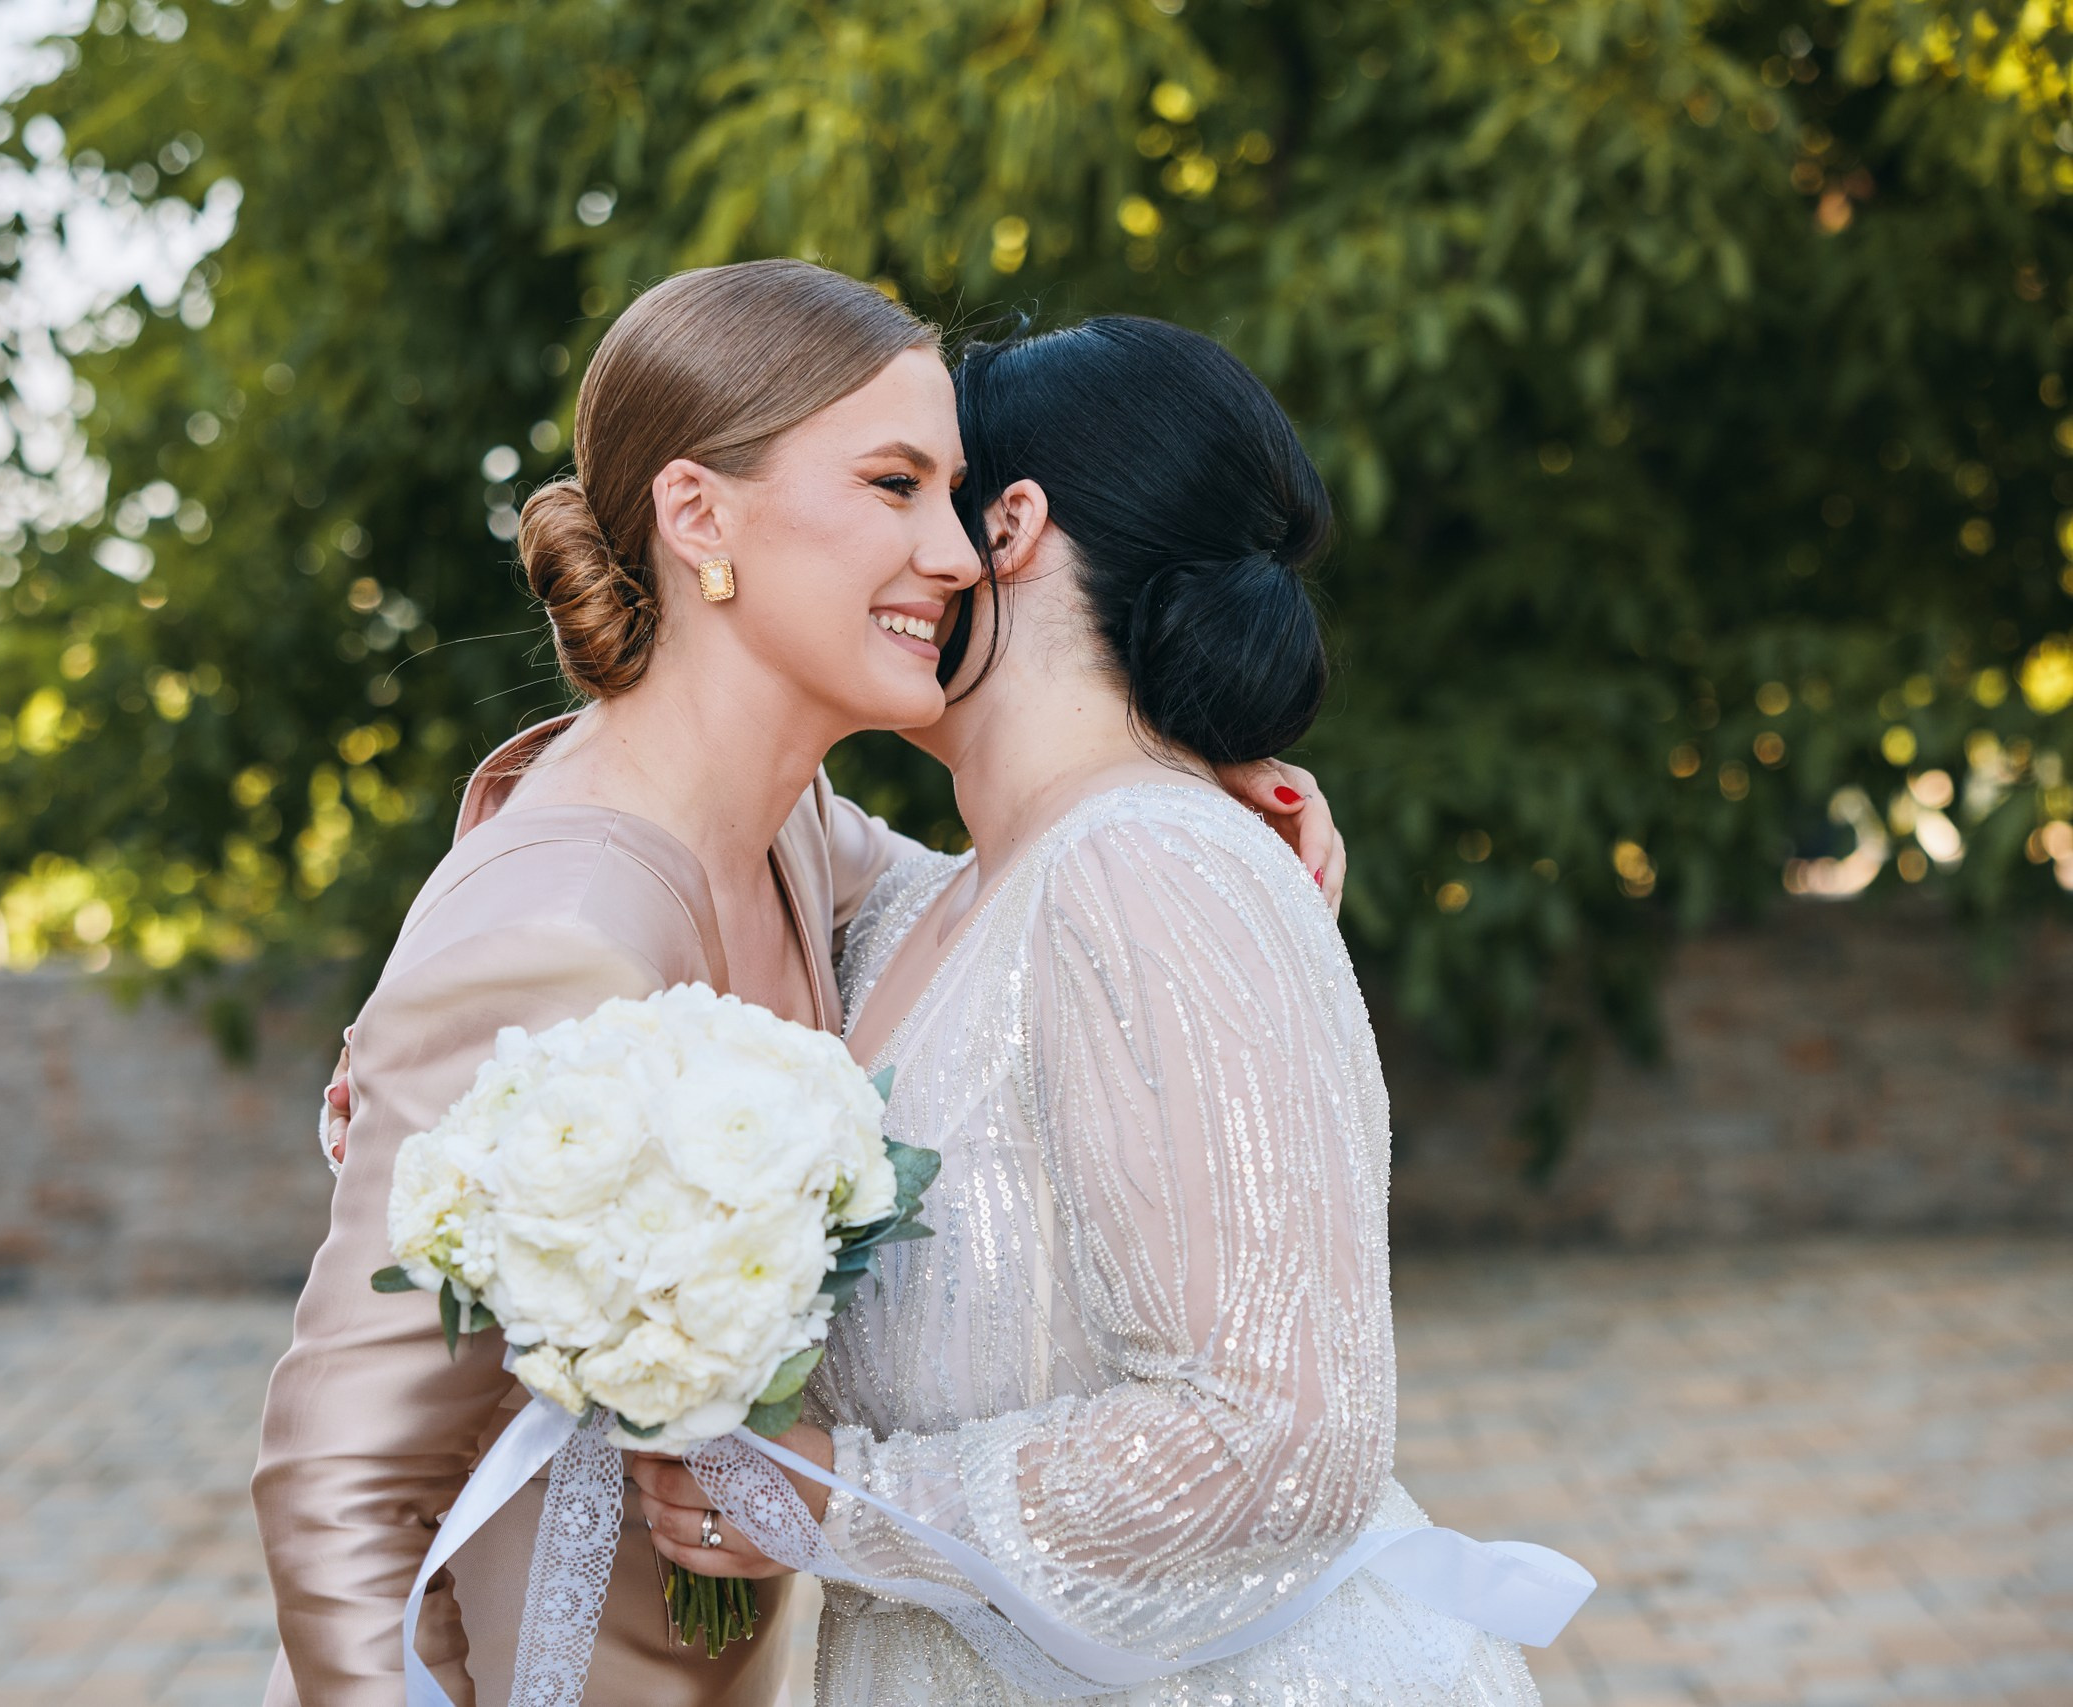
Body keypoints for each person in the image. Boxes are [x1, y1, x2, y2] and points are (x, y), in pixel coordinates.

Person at [256, 267, 1343, 1706]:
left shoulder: (800, 836)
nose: (956, 552)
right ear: (699, 516)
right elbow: (341, 1476)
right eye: (896, 486)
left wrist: (1194, 786)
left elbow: (1006, 915)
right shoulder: (559, 923)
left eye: (956, 494)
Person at [630, 318, 1553, 1704]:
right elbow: (677, 787)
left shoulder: (1147, 866)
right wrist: (453, 1029)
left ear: (1007, 528)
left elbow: (1280, 1437)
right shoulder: (927, 902)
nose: (901, 551)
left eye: (922, 494)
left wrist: (843, 1504)